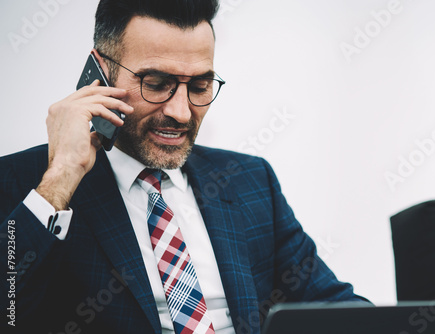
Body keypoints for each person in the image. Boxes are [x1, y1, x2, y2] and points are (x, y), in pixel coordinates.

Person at [1, 0, 369, 333]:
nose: (180, 112)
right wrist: (61, 178)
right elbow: (8, 311)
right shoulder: (27, 184)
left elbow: (334, 309)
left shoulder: (251, 181)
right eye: (156, 84)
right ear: (100, 73)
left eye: (199, 86)